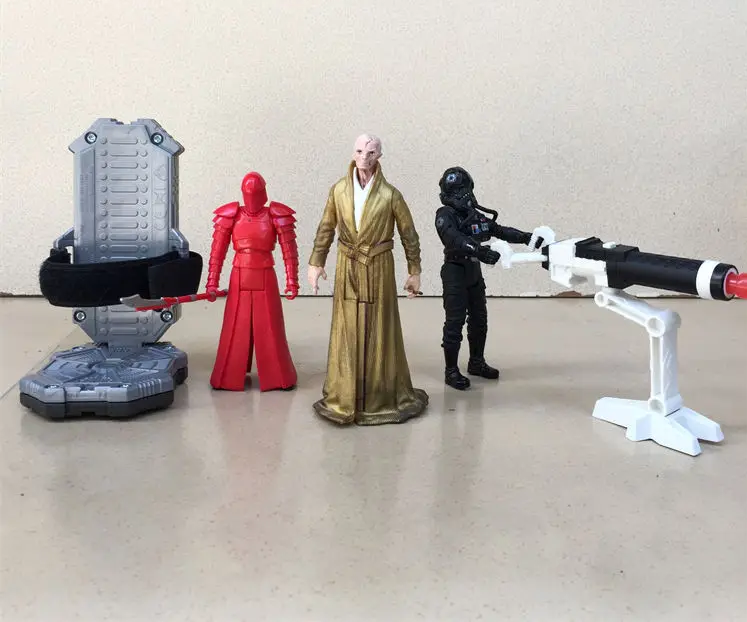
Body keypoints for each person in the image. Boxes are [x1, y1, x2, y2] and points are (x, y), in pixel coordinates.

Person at [307, 134, 428, 425]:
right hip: (347, 264)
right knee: (346, 326)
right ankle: (344, 393)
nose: (364, 157)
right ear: (353, 153)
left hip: (379, 266)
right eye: (360, 151)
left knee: (380, 326)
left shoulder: (390, 195)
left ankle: (379, 394)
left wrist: (414, 271)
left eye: (371, 152)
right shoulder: (338, 190)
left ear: (379, 156)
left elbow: (409, 234)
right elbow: (326, 227)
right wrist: (316, 262)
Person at [435, 166, 544, 391]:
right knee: (454, 322)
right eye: (458, 191)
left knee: (479, 320)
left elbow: (498, 230)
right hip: (455, 270)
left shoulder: (474, 214)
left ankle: (476, 362)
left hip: (473, 271)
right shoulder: (444, 214)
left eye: (464, 190)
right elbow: (452, 238)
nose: (463, 195)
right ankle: (451, 370)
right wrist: (479, 250)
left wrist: (526, 237)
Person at [206, 171, 299, 392]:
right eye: (249, 193)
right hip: (239, 275)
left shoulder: (275, 214)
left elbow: (289, 251)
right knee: (235, 327)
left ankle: (278, 377)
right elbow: (217, 252)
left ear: (264, 193)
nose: (253, 198)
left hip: (265, 275)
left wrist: (292, 281)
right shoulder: (231, 215)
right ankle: (227, 376)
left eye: (257, 193)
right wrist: (211, 282)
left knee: (270, 327)